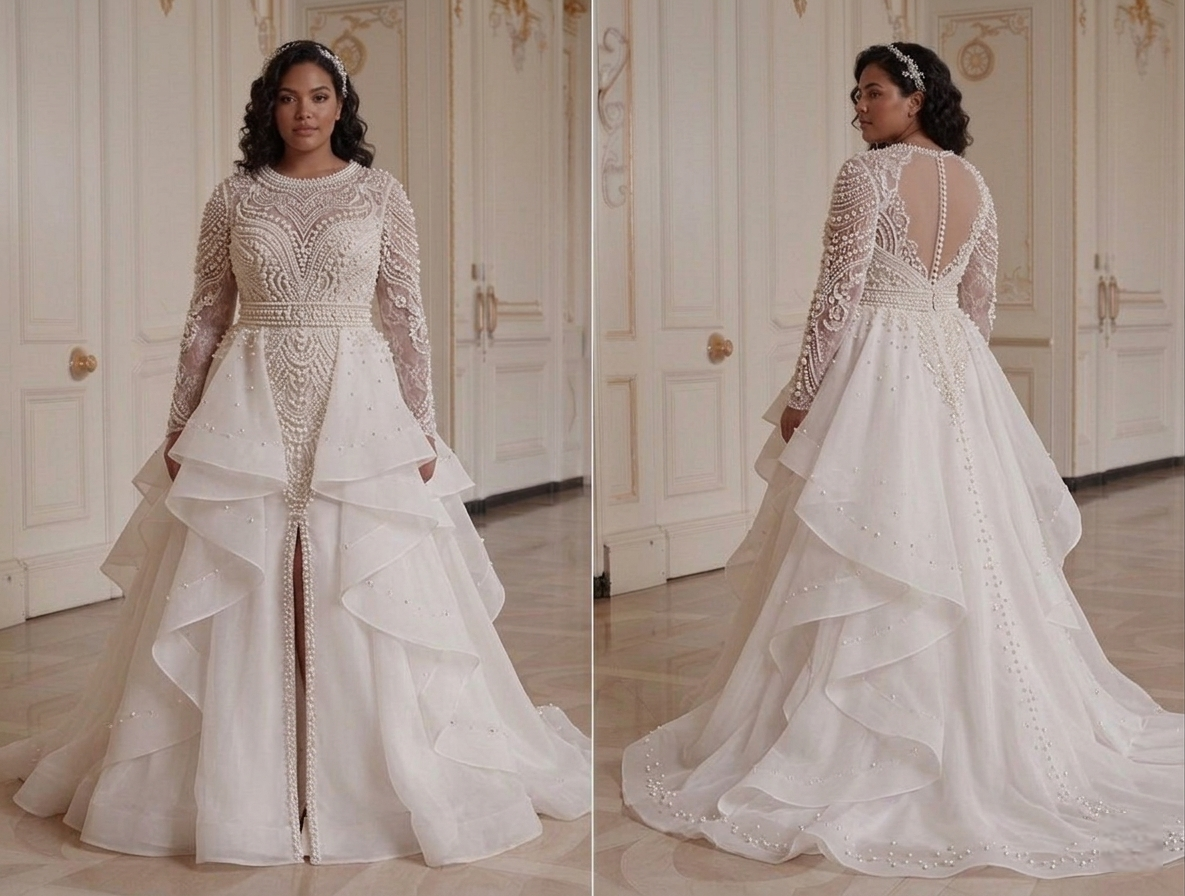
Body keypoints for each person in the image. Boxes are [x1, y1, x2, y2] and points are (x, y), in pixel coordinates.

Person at [0, 40, 589, 866]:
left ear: (341, 106)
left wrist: (421, 426)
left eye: (318, 97)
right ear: (267, 107)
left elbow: (406, 317)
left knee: (357, 578)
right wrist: (179, 423)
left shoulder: (382, 193)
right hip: (251, 400)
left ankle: (354, 778)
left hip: (358, 402)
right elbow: (206, 315)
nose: (303, 112)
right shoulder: (235, 195)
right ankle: (252, 780)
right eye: (287, 98)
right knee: (249, 578)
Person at [621, 43, 1183, 878]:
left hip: (878, 363)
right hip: (952, 367)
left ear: (915, 99)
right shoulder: (974, 183)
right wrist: (950, 369)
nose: (859, 106)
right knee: (965, 543)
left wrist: (807, 393)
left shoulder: (867, 177)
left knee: (867, 536)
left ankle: (849, 737)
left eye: (874, 92)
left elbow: (834, 294)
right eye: (856, 93)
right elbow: (978, 301)